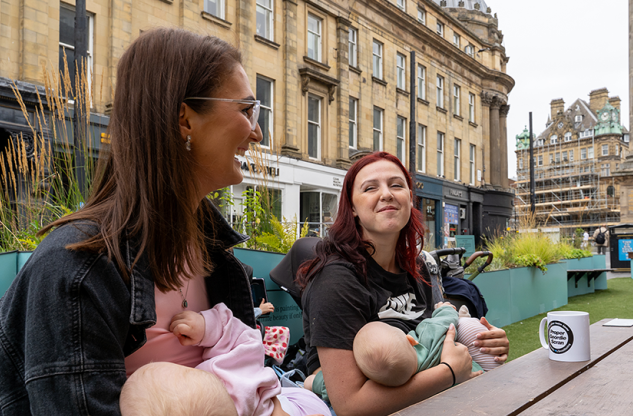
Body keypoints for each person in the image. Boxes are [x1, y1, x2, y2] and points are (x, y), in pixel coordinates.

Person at [0, 29, 269, 414]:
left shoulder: (212, 251)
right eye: (246, 110)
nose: (257, 132)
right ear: (185, 120)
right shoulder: (76, 269)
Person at [297, 152, 510, 416]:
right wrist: (448, 373)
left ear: (409, 198)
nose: (386, 194)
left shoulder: (417, 267)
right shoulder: (336, 281)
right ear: (352, 207)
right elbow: (350, 406)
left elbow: (438, 335)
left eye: (396, 185)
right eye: (370, 188)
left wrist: (487, 345)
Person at [120, 303, 329, 416]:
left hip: (292, 399)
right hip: (301, 404)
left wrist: (208, 327)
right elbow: (247, 341)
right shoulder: (233, 379)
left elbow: (246, 341)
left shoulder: (231, 381)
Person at [304, 302, 499, 400]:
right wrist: (444, 307)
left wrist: (311, 382)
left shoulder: (377, 384)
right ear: (410, 339)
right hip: (475, 378)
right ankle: (465, 316)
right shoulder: (427, 339)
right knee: (464, 324)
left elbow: (327, 385)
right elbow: (443, 321)